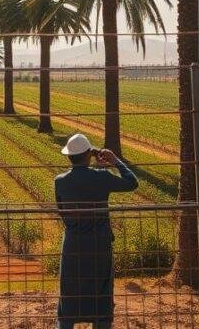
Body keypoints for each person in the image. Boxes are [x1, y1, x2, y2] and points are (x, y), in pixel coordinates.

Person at [53, 133, 139, 329]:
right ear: (89, 155)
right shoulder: (102, 177)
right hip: (99, 244)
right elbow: (132, 182)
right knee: (102, 290)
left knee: (69, 291)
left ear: (69, 156)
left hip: (73, 243)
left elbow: (62, 212)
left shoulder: (60, 181)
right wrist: (115, 160)